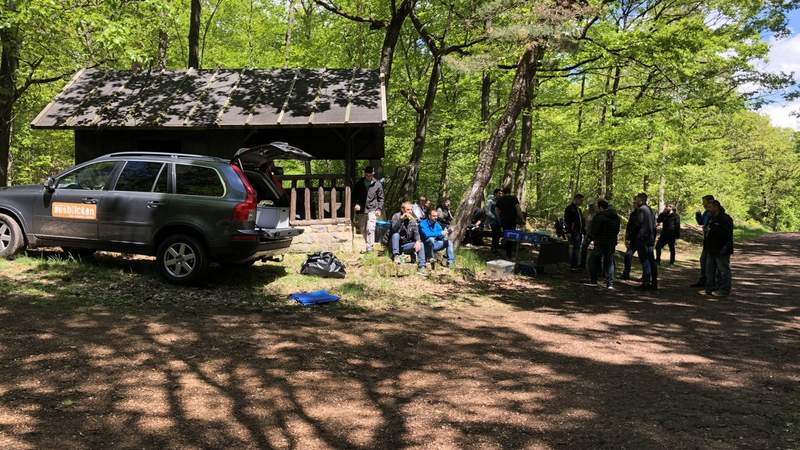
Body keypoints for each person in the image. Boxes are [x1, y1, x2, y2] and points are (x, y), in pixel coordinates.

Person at [585, 199, 620, 289]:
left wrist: (591, 237)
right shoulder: (615, 217)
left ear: (601, 207)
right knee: (609, 261)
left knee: (592, 260)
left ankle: (593, 281)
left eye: (597, 206)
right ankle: (610, 283)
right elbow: (617, 230)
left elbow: (595, 230)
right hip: (611, 242)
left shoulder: (599, 217)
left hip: (600, 242)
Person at [701, 200, 733, 297]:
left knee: (723, 270)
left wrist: (711, 229)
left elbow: (726, 234)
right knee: (709, 270)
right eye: (707, 207)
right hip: (711, 248)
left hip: (722, 248)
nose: (708, 209)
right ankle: (710, 288)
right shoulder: (711, 218)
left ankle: (724, 290)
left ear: (716, 207)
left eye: (710, 207)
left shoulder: (725, 218)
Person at [629, 193, 658, 290]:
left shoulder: (641, 210)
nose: (635, 201)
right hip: (649, 239)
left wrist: (632, 236)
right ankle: (653, 283)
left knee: (645, 261)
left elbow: (637, 225)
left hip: (642, 239)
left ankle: (646, 283)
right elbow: (654, 226)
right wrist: (653, 237)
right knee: (651, 261)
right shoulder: (650, 210)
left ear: (641, 200)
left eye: (636, 199)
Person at [389, 201, 427, 275]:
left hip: (405, 245)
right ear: (402, 210)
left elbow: (416, 233)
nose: (410, 211)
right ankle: (396, 256)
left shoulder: (412, 219)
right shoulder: (396, 216)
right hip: (394, 245)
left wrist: (417, 241)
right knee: (396, 234)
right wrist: (401, 219)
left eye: (411, 209)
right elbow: (393, 230)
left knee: (420, 244)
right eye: (408, 210)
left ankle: (421, 267)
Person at [353, 166, 384, 253]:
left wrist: (379, 209)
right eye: (367, 175)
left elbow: (381, 198)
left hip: (372, 209)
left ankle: (370, 248)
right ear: (365, 174)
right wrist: (356, 204)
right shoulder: (359, 183)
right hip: (361, 210)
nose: (369, 177)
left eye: (371, 175)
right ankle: (368, 244)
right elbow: (354, 196)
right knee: (363, 229)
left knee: (370, 229)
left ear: (373, 174)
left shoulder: (377, 184)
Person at [691, 195, 715, 287]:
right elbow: (701, 222)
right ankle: (703, 280)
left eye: (704, 202)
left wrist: (708, 228)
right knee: (703, 260)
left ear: (710, 201)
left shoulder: (714, 212)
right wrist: (698, 214)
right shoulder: (706, 212)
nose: (703, 204)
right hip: (706, 240)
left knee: (710, 262)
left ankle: (710, 282)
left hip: (713, 242)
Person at [495, 187, 523, 258]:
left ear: (503, 192)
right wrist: (521, 218)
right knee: (511, 235)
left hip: (504, 220)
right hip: (512, 220)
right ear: (510, 191)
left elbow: (496, 210)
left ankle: (507, 253)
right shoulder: (513, 198)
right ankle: (509, 254)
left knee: (506, 235)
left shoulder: (500, 199)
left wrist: (499, 218)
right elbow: (518, 208)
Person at [564, 194, 585, 270]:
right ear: (576, 199)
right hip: (573, 232)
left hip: (579, 232)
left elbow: (581, 222)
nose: (582, 202)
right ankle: (573, 265)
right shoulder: (570, 208)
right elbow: (567, 221)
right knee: (575, 248)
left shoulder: (579, 210)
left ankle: (575, 264)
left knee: (577, 248)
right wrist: (568, 231)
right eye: (581, 200)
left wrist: (583, 231)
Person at [620, 197, 637, 280]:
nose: (633, 204)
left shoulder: (644, 213)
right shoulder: (633, 214)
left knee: (645, 258)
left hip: (640, 239)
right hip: (633, 239)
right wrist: (627, 237)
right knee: (628, 255)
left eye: (635, 202)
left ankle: (647, 278)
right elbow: (629, 226)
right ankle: (626, 273)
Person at [580, 202, 597, 269]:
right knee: (584, 248)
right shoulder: (586, 214)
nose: (591, 207)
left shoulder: (596, 215)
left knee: (596, 250)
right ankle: (582, 264)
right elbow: (583, 222)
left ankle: (595, 266)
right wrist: (583, 231)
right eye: (590, 206)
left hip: (593, 234)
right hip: (587, 234)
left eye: (592, 206)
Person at [486, 189, 503, 253]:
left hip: (499, 220)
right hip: (492, 220)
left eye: (501, 193)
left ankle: (495, 248)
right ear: (495, 194)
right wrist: (494, 217)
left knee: (498, 234)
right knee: (495, 234)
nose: (500, 195)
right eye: (499, 193)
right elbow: (487, 211)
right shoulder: (490, 201)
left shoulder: (500, 201)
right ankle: (494, 248)